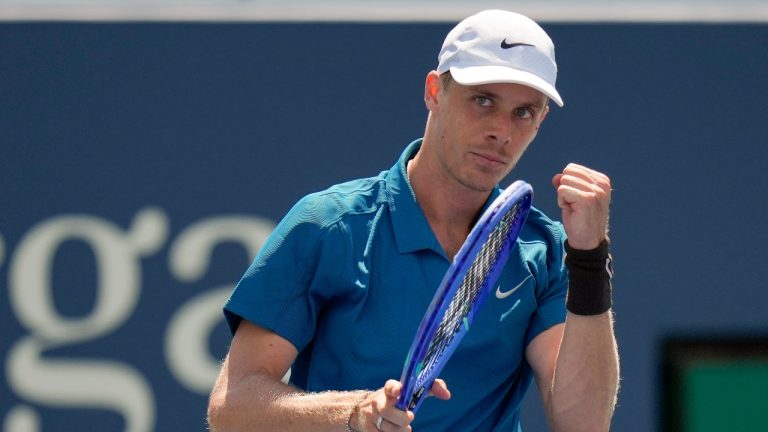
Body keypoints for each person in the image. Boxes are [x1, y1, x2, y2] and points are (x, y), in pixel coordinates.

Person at [207, 9, 619, 432]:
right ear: (434, 91)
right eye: (483, 101)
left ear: (541, 121)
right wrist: (356, 413)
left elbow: (582, 424)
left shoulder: (545, 249)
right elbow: (232, 407)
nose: (502, 131)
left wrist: (590, 259)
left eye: (524, 113)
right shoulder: (328, 226)